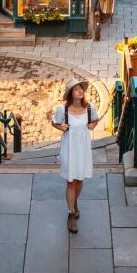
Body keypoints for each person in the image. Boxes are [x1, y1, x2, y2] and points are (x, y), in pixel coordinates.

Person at [51, 79, 99, 233]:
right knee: (71, 182)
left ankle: (74, 201)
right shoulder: (63, 109)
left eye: (80, 88)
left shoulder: (90, 108)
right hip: (69, 148)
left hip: (83, 148)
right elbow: (54, 122)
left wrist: (93, 125)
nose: (80, 90)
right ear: (70, 93)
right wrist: (61, 127)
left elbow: (96, 119)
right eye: (76, 89)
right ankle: (71, 213)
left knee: (80, 179)